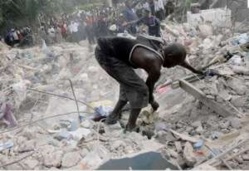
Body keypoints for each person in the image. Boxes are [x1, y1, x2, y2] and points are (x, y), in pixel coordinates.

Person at [95, 36, 203, 132]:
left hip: (112, 51)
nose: (173, 66)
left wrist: (194, 70)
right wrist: (152, 102)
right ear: (170, 56)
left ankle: (113, 116)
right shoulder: (154, 64)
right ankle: (131, 126)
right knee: (140, 89)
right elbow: (148, 88)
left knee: (129, 83)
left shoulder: (160, 47)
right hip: (106, 55)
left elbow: (180, 61)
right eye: (174, 64)